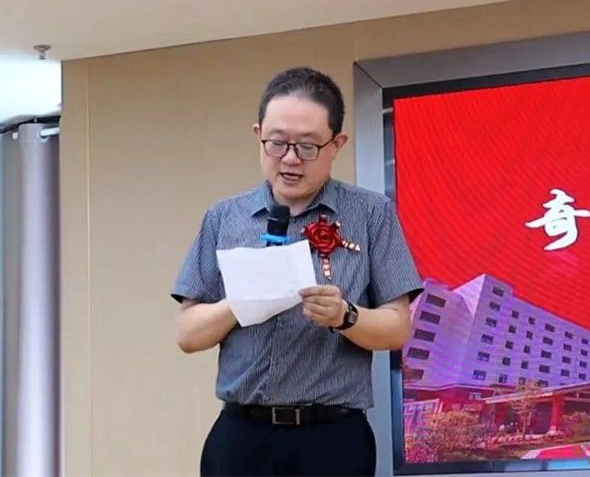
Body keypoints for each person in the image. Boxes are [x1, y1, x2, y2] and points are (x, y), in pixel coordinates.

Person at [171, 67, 422, 476]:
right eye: (277, 143)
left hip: (332, 439)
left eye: (307, 146)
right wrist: (241, 302)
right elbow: (188, 334)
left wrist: (345, 316)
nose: (289, 158)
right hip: (241, 437)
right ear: (258, 135)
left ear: (336, 144)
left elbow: (397, 327)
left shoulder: (370, 213)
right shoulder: (223, 217)